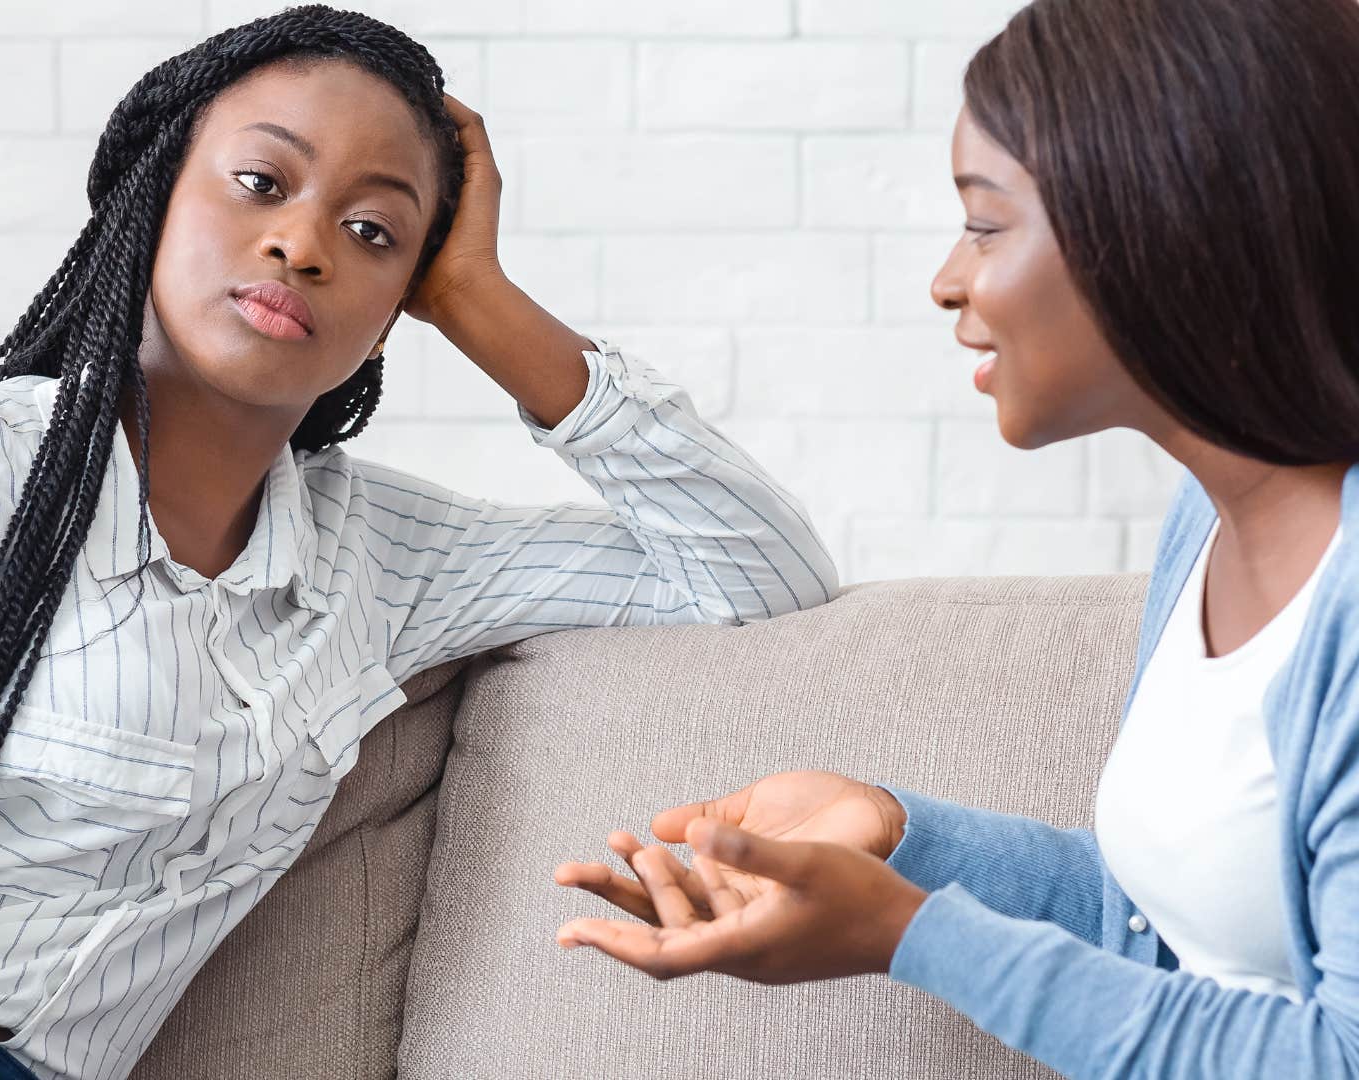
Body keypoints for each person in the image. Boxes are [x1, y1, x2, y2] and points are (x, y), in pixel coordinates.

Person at [0, 7, 837, 1080]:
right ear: (153, 196)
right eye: (261, 181)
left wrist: (482, 300)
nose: (304, 242)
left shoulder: (380, 561)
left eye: (375, 232)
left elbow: (756, 572)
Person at [553, 0, 1359, 1075]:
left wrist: (909, 935)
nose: (947, 279)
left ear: (1167, 221)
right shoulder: (1210, 526)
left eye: (984, 224)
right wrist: (898, 839)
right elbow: (1164, 934)